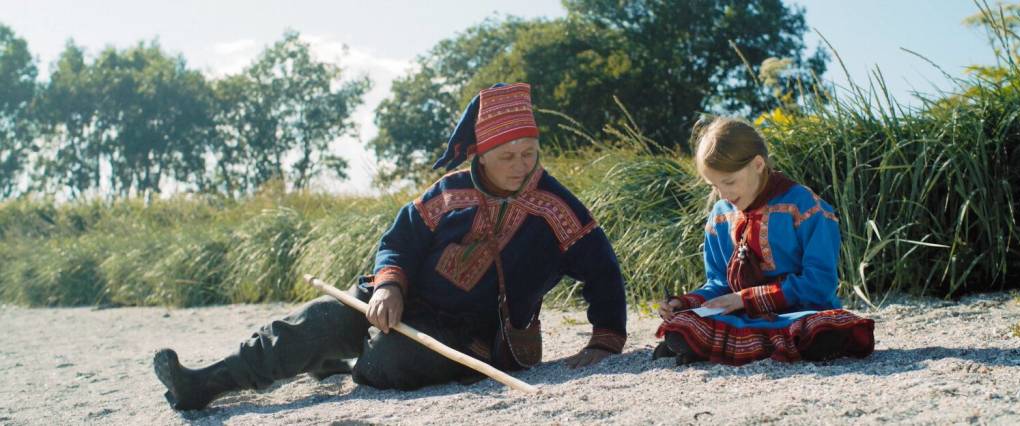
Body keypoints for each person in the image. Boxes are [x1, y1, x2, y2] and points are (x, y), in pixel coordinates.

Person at [153, 82, 628, 410]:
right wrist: (388, 287)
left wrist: (606, 339)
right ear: (480, 153)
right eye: (507, 156)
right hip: (399, 304)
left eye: (529, 153)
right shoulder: (446, 192)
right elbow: (398, 240)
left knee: (387, 363)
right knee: (308, 325)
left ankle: (340, 361)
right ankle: (204, 384)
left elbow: (602, 269)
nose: (521, 166)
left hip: (471, 339)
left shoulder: (557, 206)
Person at [652, 116, 874, 366]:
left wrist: (745, 299)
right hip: (742, 318)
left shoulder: (806, 208)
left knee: (826, 329)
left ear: (758, 164)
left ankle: (713, 348)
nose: (723, 194)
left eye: (729, 181)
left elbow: (819, 283)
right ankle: (725, 344)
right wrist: (684, 303)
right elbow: (718, 284)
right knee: (680, 326)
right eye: (714, 186)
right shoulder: (720, 216)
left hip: (800, 315)